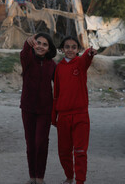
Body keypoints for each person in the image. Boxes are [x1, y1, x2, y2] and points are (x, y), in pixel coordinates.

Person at [52, 36, 97, 184]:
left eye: (73, 47)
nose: (70, 50)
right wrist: (54, 116)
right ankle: (69, 177)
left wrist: (90, 51)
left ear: (78, 49)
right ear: (62, 49)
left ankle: (80, 181)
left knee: (80, 152)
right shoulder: (59, 68)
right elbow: (56, 93)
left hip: (80, 115)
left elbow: (87, 58)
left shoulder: (81, 63)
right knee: (64, 152)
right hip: (63, 116)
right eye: (67, 47)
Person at [20, 33, 57, 184]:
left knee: (41, 142)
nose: (41, 46)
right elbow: (24, 53)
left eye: (45, 44)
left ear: (49, 49)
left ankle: (40, 178)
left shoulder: (53, 65)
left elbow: (60, 86)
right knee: (30, 143)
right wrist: (26, 43)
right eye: (38, 43)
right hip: (28, 108)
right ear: (34, 45)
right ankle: (32, 177)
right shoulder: (28, 60)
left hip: (45, 110)